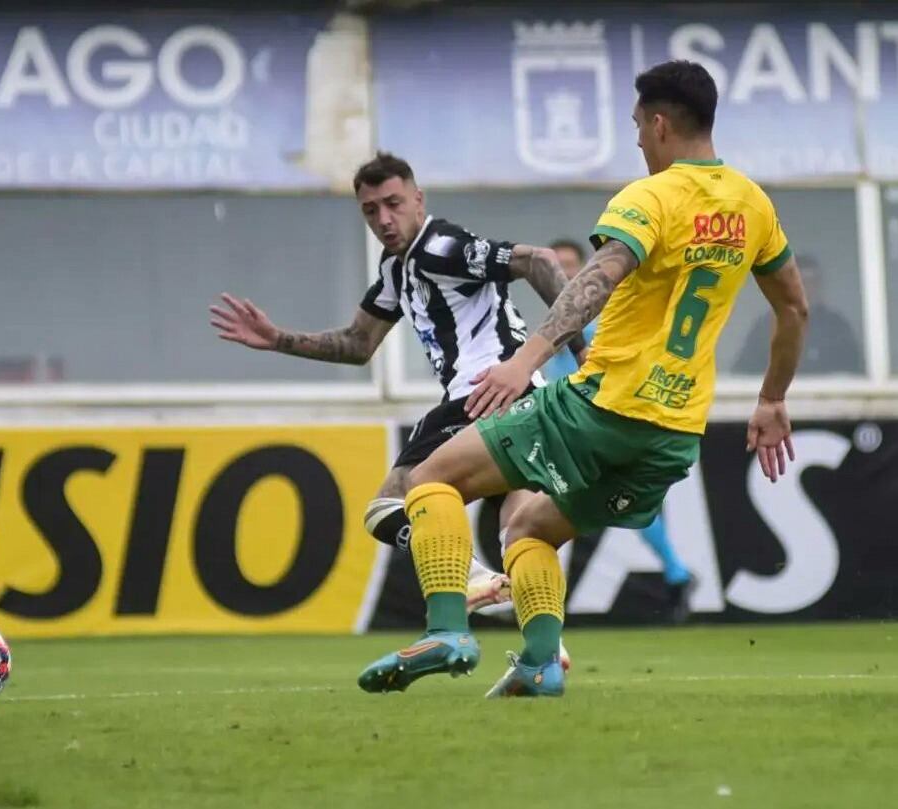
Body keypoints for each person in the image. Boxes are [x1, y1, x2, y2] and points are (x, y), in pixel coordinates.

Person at [357, 60, 807, 697]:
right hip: (673, 437)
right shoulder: (753, 205)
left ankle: (449, 629)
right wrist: (772, 399)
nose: (638, 141)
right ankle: (540, 663)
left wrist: (524, 361)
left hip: (603, 408)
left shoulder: (650, 197)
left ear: (658, 122)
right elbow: (793, 306)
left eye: (637, 127)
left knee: (430, 479)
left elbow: (596, 281)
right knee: (529, 528)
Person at [209, 151, 585, 619]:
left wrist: (582, 352)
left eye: (394, 203)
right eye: (371, 211)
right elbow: (357, 343)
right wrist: (277, 339)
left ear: (418, 199)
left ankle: (472, 580)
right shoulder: (395, 269)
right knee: (520, 528)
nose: (384, 219)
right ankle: (545, 649)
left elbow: (540, 260)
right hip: (525, 400)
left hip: (482, 395)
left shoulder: (440, 246)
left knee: (389, 505)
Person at [545, 238, 696, 624]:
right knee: (610, 503)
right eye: (556, 267)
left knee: (554, 503)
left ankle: (541, 598)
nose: (563, 275)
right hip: (565, 420)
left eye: (569, 265)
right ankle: (677, 573)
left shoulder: (602, 318)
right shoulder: (554, 318)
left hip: (594, 420)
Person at [733, 254, 863, 375]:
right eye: (800, 280)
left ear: (820, 285)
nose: (806, 287)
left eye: (812, 281)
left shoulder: (836, 326)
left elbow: (851, 372)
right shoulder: (765, 327)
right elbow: (744, 373)